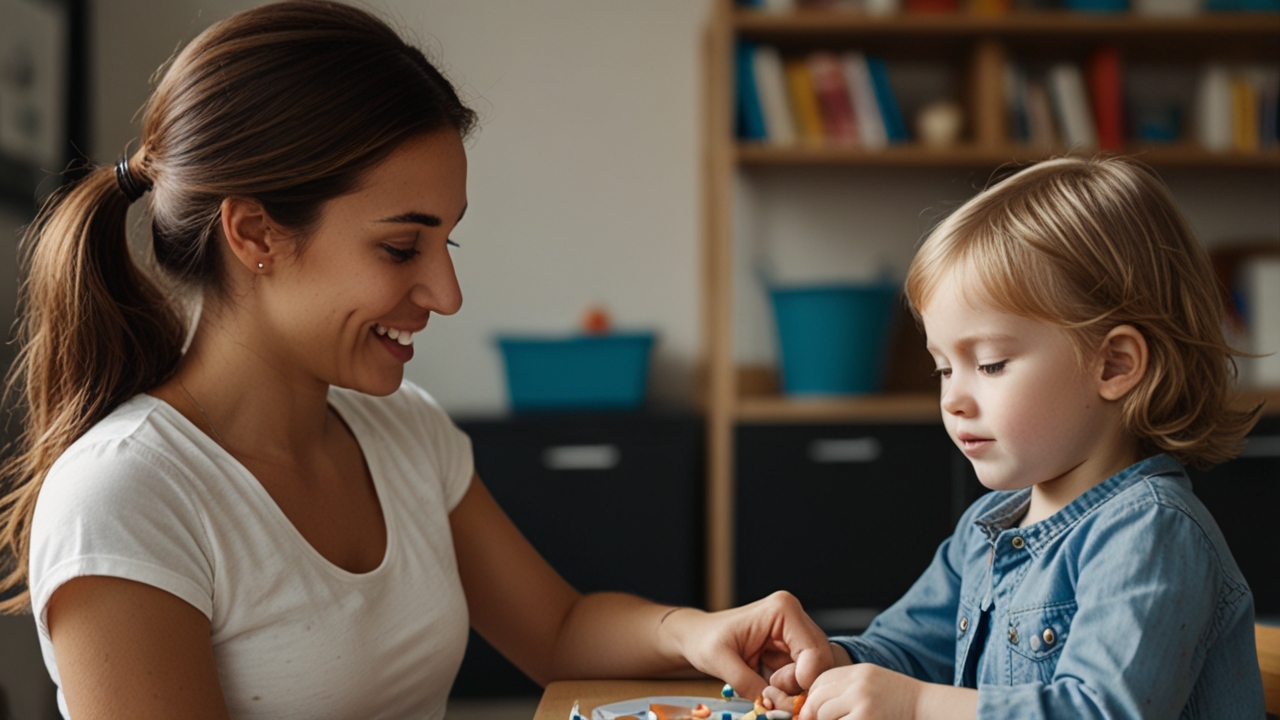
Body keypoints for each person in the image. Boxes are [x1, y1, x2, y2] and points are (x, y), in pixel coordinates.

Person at [0, 3, 832, 718]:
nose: (446, 291)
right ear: (254, 233)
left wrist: (700, 630)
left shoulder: (403, 430)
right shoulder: (127, 496)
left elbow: (559, 630)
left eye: (447, 238)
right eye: (402, 247)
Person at [764, 157, 1267, 719]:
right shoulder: (985, 531)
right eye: (944, 369)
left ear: (1114, 365)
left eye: (992, 363)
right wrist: (830, 665)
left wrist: (915, 706)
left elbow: (1100, 711)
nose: (952, 398)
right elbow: (907, 652)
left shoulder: (1152, 532)